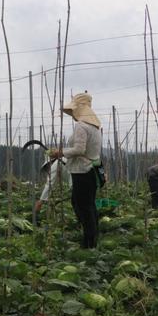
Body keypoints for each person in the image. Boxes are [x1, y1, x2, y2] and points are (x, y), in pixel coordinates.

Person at [48, 92, 102, 249]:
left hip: (82, 171)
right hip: (91, 170)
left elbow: (79, 149)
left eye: (73, 110)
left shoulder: (81, 126)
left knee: (82, 206)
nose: (71, 114)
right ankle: (92, 238)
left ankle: (89, 242)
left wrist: (60, 152)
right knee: (88, 205)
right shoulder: (94, 127)